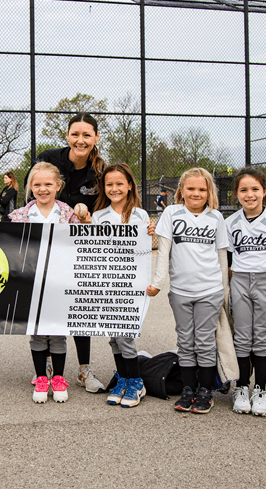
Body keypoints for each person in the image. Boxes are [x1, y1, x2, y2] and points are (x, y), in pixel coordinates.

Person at [24, 112, 106, 393]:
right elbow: (34, 193)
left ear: (96, 138)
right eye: (75, 134)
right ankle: (47, 368)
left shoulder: (99, 170)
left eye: (87, 135)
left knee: (78, 307)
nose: (80, 140)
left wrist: (88, 213)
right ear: (67, 136)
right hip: (44, 248)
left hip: (76, 249)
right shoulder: (49, 158)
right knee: (45, 308)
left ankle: (84, 369)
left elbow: (102, 208)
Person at [146, 167, 230, 415]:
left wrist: (223, 291)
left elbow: (222, 256)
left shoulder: (216, 218)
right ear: (181, 191)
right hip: (181, 291)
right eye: (191, 188)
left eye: (202, 189)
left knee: (203, 342)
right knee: (185, 341)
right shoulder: (172, 213)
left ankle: (205, 391)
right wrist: (159, 282)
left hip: (210, 290)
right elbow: (163, 252)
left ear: (209, 192)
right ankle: (188, 389)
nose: (196, 193)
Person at [9, 162, 82, 403]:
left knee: (58, 332)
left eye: (48, 184)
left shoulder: (68, 214)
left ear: (58, 186)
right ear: (30, 187)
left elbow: (82, 246)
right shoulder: (19, 217)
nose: (43, 189)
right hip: (32, 282)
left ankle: (58, 378)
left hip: (60, 283)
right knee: (38, 333)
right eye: (37, 184)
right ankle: (41, 378)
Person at [224, 167, 266, 417]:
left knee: (262, 337)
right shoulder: (230, 223)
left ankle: (260, 390)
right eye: (243, 190)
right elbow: (229, 262)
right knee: (242, 336)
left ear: (265, 192)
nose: (249, 195)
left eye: (255, 189)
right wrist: (232, 289)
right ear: (236, 194)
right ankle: (242, 387)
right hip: (239, 281)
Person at [91, 163, 154, 408]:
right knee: (114, 337)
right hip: (107, 282)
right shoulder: (99, 216)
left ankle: (136, 381)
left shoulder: (140, 215)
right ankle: (123, 378)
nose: (114, 188)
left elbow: (143, 251)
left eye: (120, 183)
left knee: (125, 334)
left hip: (131, 284)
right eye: (109, 184)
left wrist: (150, 233)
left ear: (130, 185)